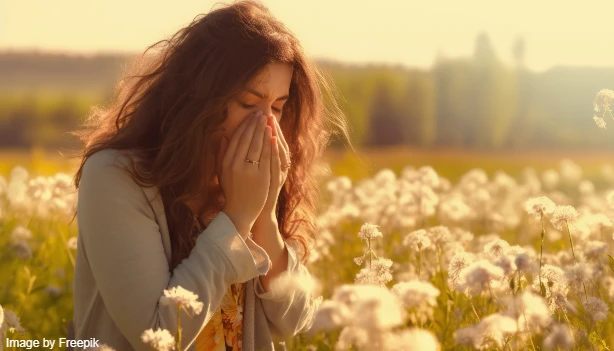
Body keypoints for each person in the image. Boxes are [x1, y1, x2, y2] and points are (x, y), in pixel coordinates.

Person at [69, 1, 354, 350]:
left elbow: (294, 321)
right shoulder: (116, 177)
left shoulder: (249, 181)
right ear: (199, 99)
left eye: (277, 107)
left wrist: (264, 216)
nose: (267, 126)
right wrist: (236, 220)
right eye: (249, 104)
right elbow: (156, 335)